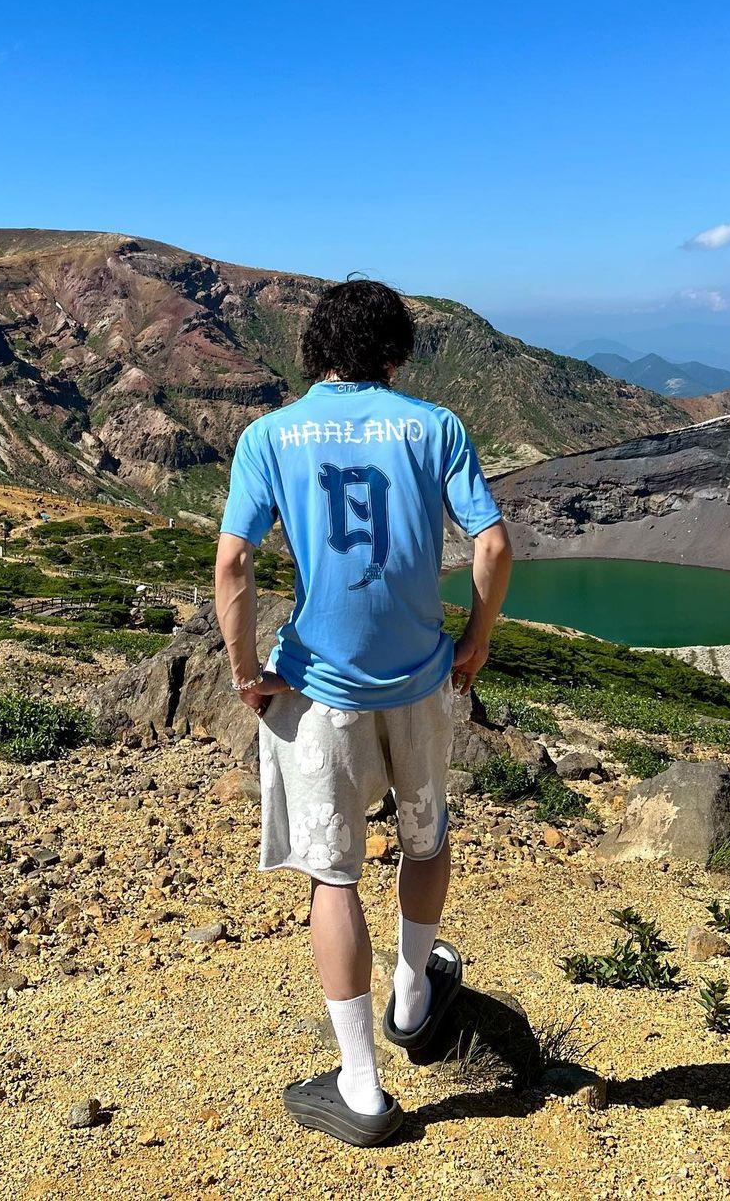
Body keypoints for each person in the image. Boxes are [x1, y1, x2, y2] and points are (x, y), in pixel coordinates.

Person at [214, 279, 512, 1146]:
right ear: (396, 352)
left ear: (314, 351)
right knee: (426, 838)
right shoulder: (435, 427)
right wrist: (475, 639)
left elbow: (233, 566)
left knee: (334, 876)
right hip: (419, 682)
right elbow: (493, 544)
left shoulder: (270, 436)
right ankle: (413, 997)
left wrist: (246, 671)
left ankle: (361, 1087)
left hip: (322, 692)